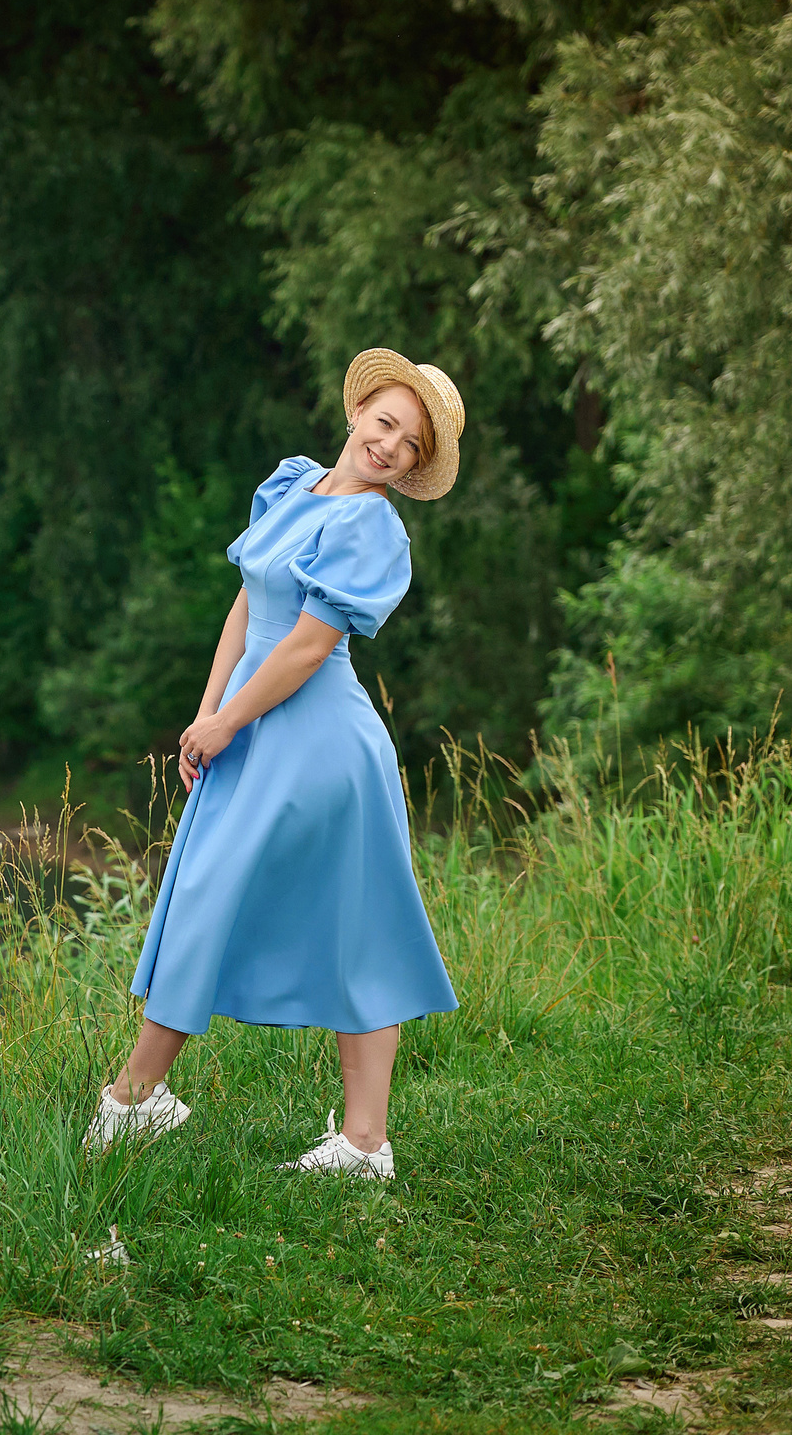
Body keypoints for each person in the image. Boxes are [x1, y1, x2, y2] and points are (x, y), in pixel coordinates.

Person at [83, 348, 464, 1179]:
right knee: (202, 895)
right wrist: (207, 711)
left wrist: (230, 723)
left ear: (414, 467)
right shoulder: (294, 486)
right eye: (386, 423)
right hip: (252, 726)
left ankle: (351, 1141)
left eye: (410, 445)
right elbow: (249, 606)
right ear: (359, 414)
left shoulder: (370, 526)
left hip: (319, 743)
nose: (390, 445)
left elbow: (304, 648)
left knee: (352, 926)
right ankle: (141, 1103)